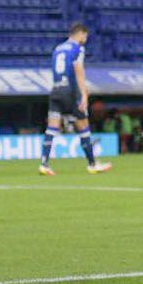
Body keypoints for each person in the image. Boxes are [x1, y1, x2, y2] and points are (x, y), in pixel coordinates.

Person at [39, 23, 112, 175]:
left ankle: (44, 164)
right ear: (80, 34)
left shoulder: (58, 48)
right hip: (70, 91)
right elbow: (78, 70)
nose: (85, 39)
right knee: (83, 126)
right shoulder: (78, 48)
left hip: (56, 89)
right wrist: (84, 94)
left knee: (52, 128)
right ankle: (92, 164)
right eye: (85, 36)